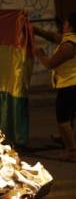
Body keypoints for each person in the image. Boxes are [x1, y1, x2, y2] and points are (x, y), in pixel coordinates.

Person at [33, 12, 76, 161]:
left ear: (70, 25)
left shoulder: (69, 46)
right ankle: (68, 142)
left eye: (64, 23)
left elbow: (51, 64)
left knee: (63, 120)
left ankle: (72, 150)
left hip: (69, 85)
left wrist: (40, 54)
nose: (62, 26)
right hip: (71, 84)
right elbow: (53, 37)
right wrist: (36, 30)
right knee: (70, 118)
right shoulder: (70, 40)